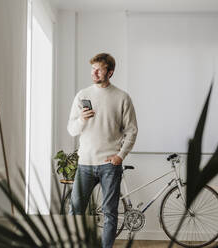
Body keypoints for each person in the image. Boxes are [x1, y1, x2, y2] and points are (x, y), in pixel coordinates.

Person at [67, 53, 138, 248]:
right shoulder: (82, 95)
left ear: (110, 72)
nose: (94, 72)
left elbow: (132, 131)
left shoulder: (122, 97)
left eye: (99, 69)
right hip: (85, 164)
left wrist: (120, 156)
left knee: (110, 214)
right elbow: (71, 129)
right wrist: (82, 119)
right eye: (92, 68)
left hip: (109, 165)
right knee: (75, 211)